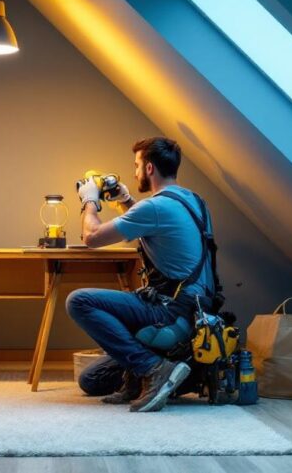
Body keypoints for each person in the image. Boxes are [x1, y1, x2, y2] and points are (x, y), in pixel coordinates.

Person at [66, 136, 218, 412]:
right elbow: (153, 224)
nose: (135, 172)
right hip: (196, 314)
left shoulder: (155, 207)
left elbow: (92, 236)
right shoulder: (194, 201)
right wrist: (125, 199)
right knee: (92, 380)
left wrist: (90, 201)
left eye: (136, 165)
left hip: (170, 314)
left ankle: (154, 368)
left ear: (149, 168)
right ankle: (162, 374)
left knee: (79, 301)